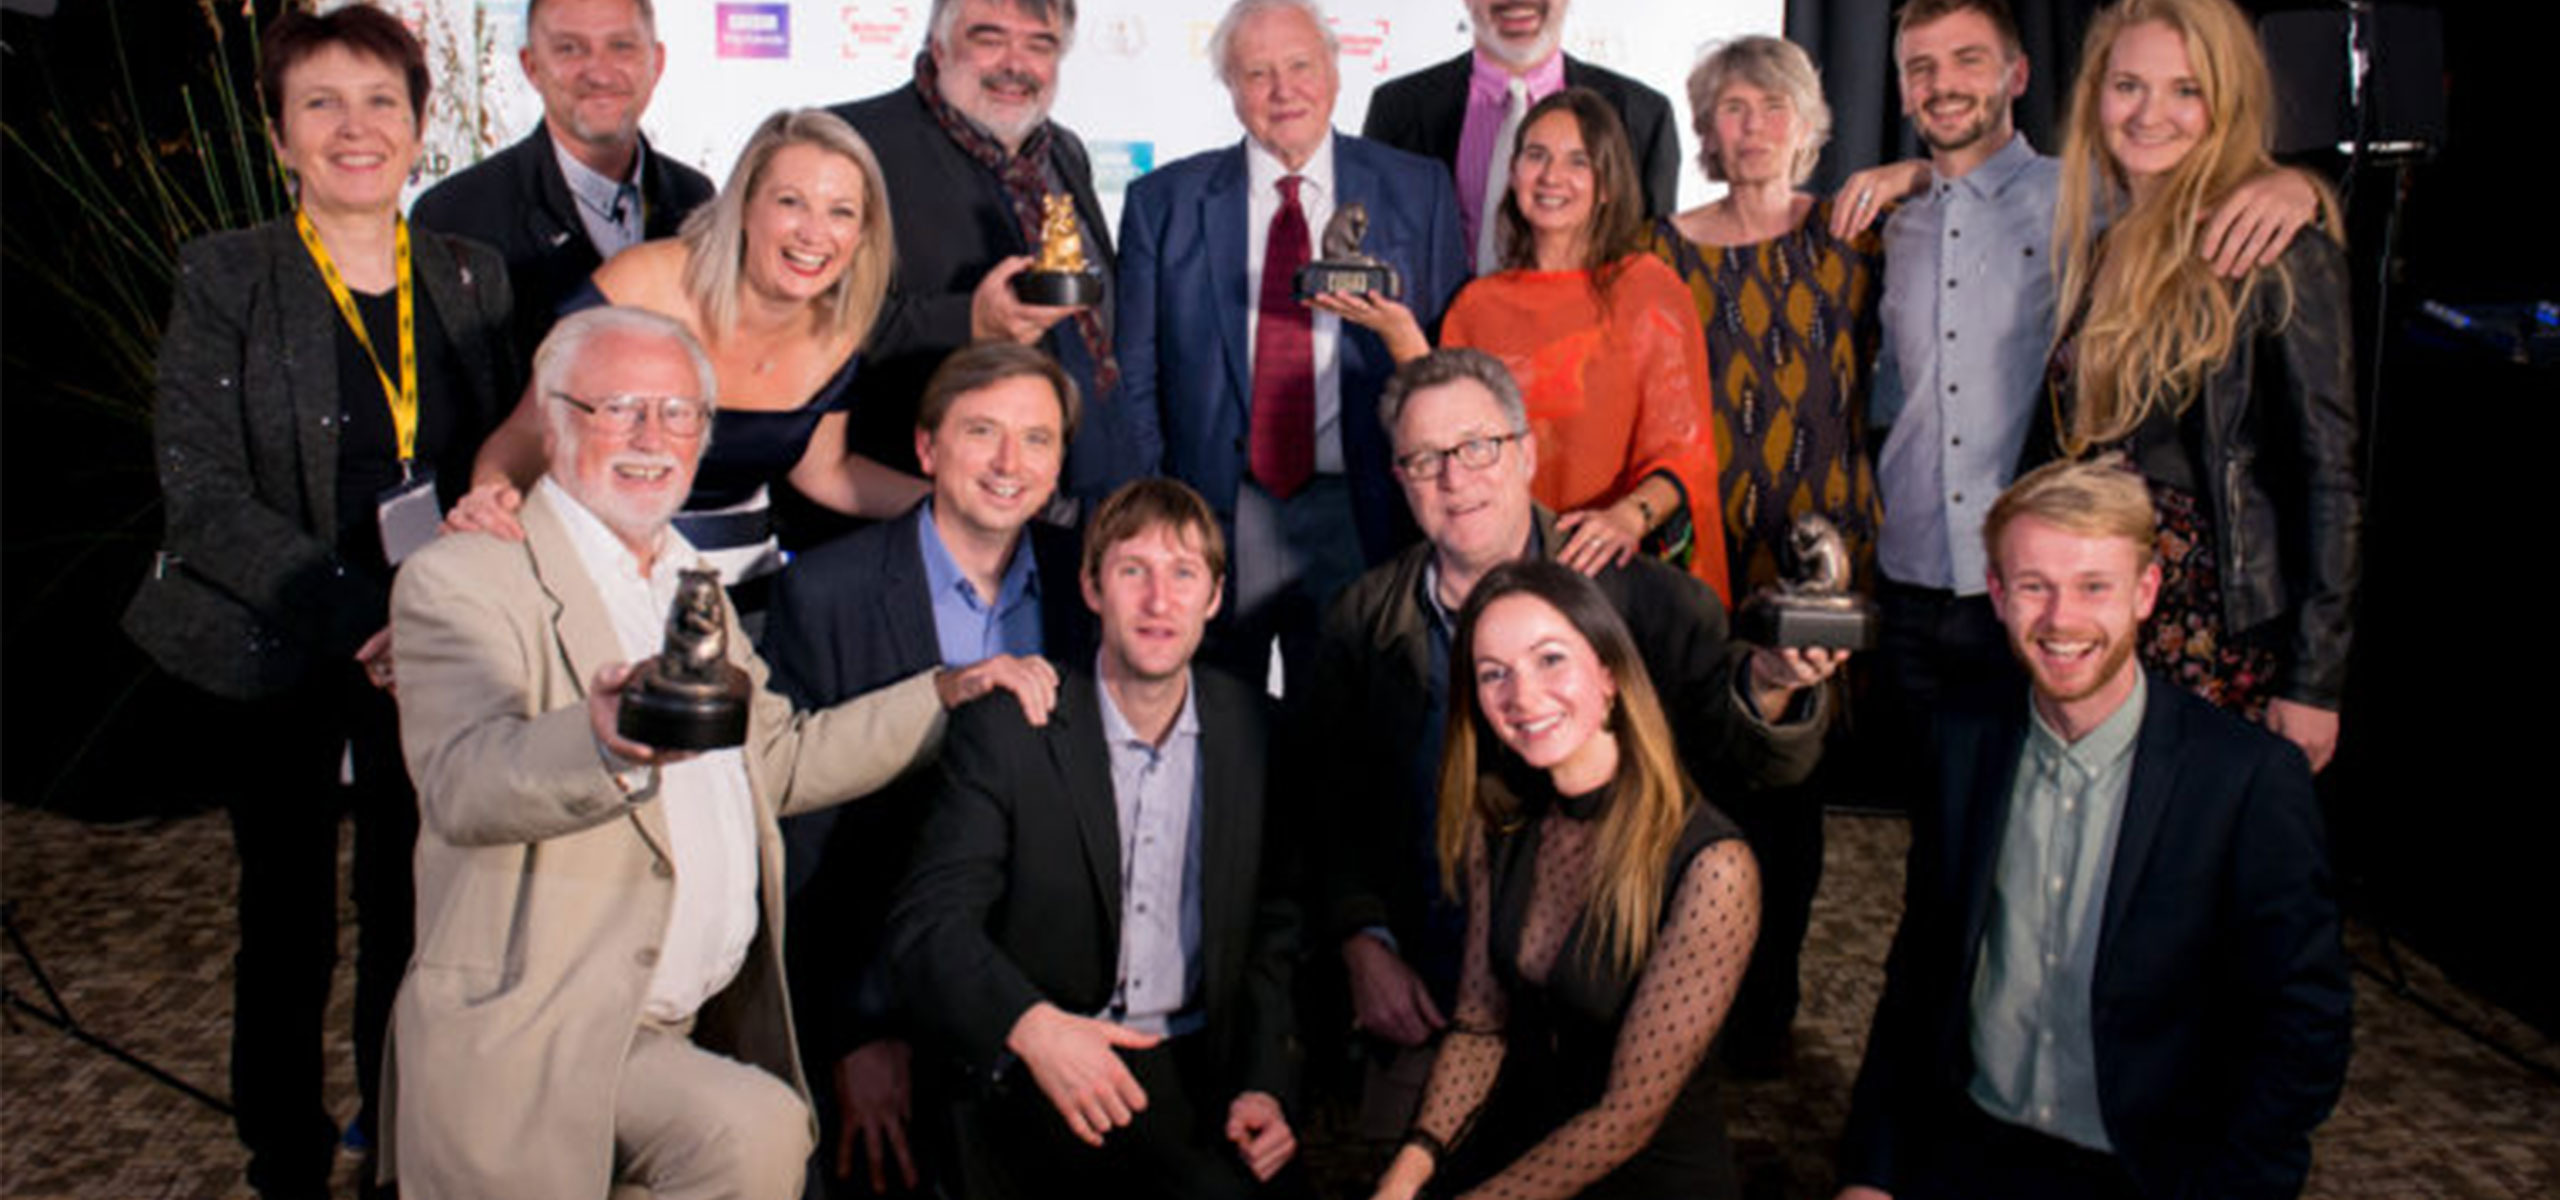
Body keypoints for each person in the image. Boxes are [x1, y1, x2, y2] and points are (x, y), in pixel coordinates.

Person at [383, 306, 1047, 1199]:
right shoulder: (461, 576)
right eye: (617, 408)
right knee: (757, 1132)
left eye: (680, 414)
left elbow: (778, 759)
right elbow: (463, 783)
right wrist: (600, 738)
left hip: (679, 1025)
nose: (653, 437)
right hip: (543, 1029)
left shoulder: (686, 584)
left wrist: (944, 691)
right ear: (550, 418)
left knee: (754, 1134)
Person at [118, 7, 518, 1194]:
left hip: (436, 644)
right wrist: (360, 618)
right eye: (321, 105)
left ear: (419, 121)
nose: (357, 129)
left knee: (415, 909)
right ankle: (284, 1156)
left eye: (381, 102)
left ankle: (399, 1142)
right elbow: (202, 496)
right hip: (279, 640)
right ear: (280, 133)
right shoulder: (228, 273)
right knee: (286, 920)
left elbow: (499, 456)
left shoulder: (467, 272)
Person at [1311, 349, 1836, 1139]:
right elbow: (1327, 802)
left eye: (1477, 448)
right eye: (1425, 460)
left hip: (1607, 1015)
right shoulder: (1360, 619)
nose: (1456, 479)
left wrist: (1772, 686)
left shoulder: (1649, 602)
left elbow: (1747, 766)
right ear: (1398, 477)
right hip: (1434, 996)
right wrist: (1363, 941)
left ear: (1525, 453)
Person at [1835, 458, 2351, 1200]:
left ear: (2145, 593)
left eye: (2093, 587)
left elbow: (2306, 1030)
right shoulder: (1961, 742)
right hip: (1971, 1154)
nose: (2062, 620)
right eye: (2035, 587)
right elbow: (1920, 978)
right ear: (1998, 593)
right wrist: (1871, 1173)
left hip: (2151, 1173)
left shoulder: (2245, 782)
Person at [1841, 0, 2326, 783]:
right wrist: (1918, 175)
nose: (1943, 84)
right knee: (1936, 825)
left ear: (2018, 74)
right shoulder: (1896, 227)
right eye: (1920, 67)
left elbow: (2200, 177)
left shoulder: (2087, 198)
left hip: (2039, 583)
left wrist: (2292, 184)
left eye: (1969, 59)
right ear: (1898, 91)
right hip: (1913, 578)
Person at [887, 479, 1300, 1199]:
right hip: (1041, 1067)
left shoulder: (1257, 733)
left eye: (1183, 575)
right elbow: (929, 928)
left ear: (1214, 597)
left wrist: (1267, 1082)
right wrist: (1031, 1028)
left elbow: (1278, 928)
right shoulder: (1010, 730)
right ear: (1089, 586)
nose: (1158, 600)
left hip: (1195, 1070)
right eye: (1132, 571)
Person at [761, 342, 1098, 1197]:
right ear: (925, 448)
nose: (1008, 464)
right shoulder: (829, 594)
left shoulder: (1090, 587)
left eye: (1037, 439)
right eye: (981, 432)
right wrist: (854, 1035)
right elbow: (807, 840)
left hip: (1045, 990)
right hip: (890, 992)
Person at [2028, 0, 2357, 772]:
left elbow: (2329, 480)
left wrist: (2316, 680)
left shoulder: (2275, 248)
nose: (2151, 113)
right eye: (2129, 85)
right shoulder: (2107, 247)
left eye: (2186, 89)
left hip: (2217, 635)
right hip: (2101, 622)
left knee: (2194, 874)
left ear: (2228, 101)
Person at [1367, 559, 1761, 1200]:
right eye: (1494, 675)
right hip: (1519, 1141)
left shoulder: (1713, 867)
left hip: (1645, 1173)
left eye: (1550, 659)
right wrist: (1408, 1170)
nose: (1521, 697)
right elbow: (1479, 1024)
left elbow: (1626, 1115)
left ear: (1609, 675)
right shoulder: (1499, 822)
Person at [1642, 33, 1879, 1077]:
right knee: (1700, 769)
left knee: (1793, 779)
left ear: (1807, 123)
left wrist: (1912, 169)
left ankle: (1765, 1008)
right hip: (1702, 541)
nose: (1752, 128)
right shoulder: (1659, 249)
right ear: (1705, 128)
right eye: (1731, 109)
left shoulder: (1855, 234)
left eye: (1771, 107)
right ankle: (1680, 996)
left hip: (1824, 545)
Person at [1117, 0, 1468, 688]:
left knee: (1351, 731)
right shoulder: (1163, 202)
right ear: (1230, 88)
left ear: (1335, 74)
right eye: (1258, 73)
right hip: (1216, 511)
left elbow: (1450, 364)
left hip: (1364, 504)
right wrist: (1160, 510)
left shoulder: (1417, 189)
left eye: (1301, 66)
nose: (1284, 91)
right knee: (1219, 723)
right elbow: (1132, 376)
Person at [453, 108, 926, 601]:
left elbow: (823, 473)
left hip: (747, 592)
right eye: (791, 202)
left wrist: (956, 502)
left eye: (841, 211)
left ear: (864, 232)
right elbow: (530, 432)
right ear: (744, 206)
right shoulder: (639, 284)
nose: (813, 232)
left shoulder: (839, 331)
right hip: (598, 584)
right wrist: (490, 497)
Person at [830, 0, 1143, 507]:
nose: (1015, 64)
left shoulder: (1062, 151)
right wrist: (969, 320)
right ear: (938, 45)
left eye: (1039, 44)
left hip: (1075, 500)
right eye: (989, 38)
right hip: (916, 510)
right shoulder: (853, 145)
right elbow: (807, 322)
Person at [1421, 88, 1724, 599]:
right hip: (1500, 575)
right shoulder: (1475, 306)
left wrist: (1628, 517)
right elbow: (1445, 447)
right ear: (1512, 172)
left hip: (1618, 570)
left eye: (1577, 161)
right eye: (1535, 156)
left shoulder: (1648, 289)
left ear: (1607, 184)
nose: (1551, 177)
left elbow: (1684, 453)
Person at [409, 0, 715, 362]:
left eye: (621, 46)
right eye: (570, 48)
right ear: (531, 67)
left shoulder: (697, 201)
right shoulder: (456, 215)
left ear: (657, 62)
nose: (599, 73)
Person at [1362, 0, 1679, 272]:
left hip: (1592, 338)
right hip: (1434, 340)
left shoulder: (1643, 116)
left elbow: (1648, 266)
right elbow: (1377, 250)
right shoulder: (1397, 109)